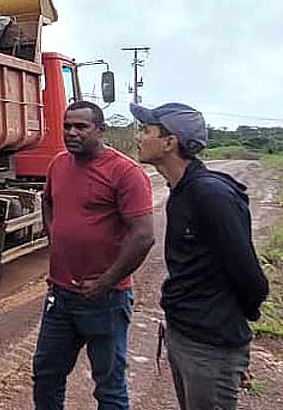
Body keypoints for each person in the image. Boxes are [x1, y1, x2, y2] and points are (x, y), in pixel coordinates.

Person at [131, 102, 268, 410]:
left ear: (170, 142)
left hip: (210, 346)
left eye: (147, 130)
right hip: (185, 335)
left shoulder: (211, 195)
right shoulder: (180, 192)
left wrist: (231, 336)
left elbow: (251, 279)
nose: (140, 137)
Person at [32, 101, 156, 410]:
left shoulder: (126, 172)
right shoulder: (58, 164)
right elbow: (47, 202)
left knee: (109, 387)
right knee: (46, 374)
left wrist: (106, 281)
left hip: (106, 300)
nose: (71, 133)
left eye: (81, 127)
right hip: (60, 296)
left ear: (100, 130)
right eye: (67, 126)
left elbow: (143, 236)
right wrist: (55, 236)